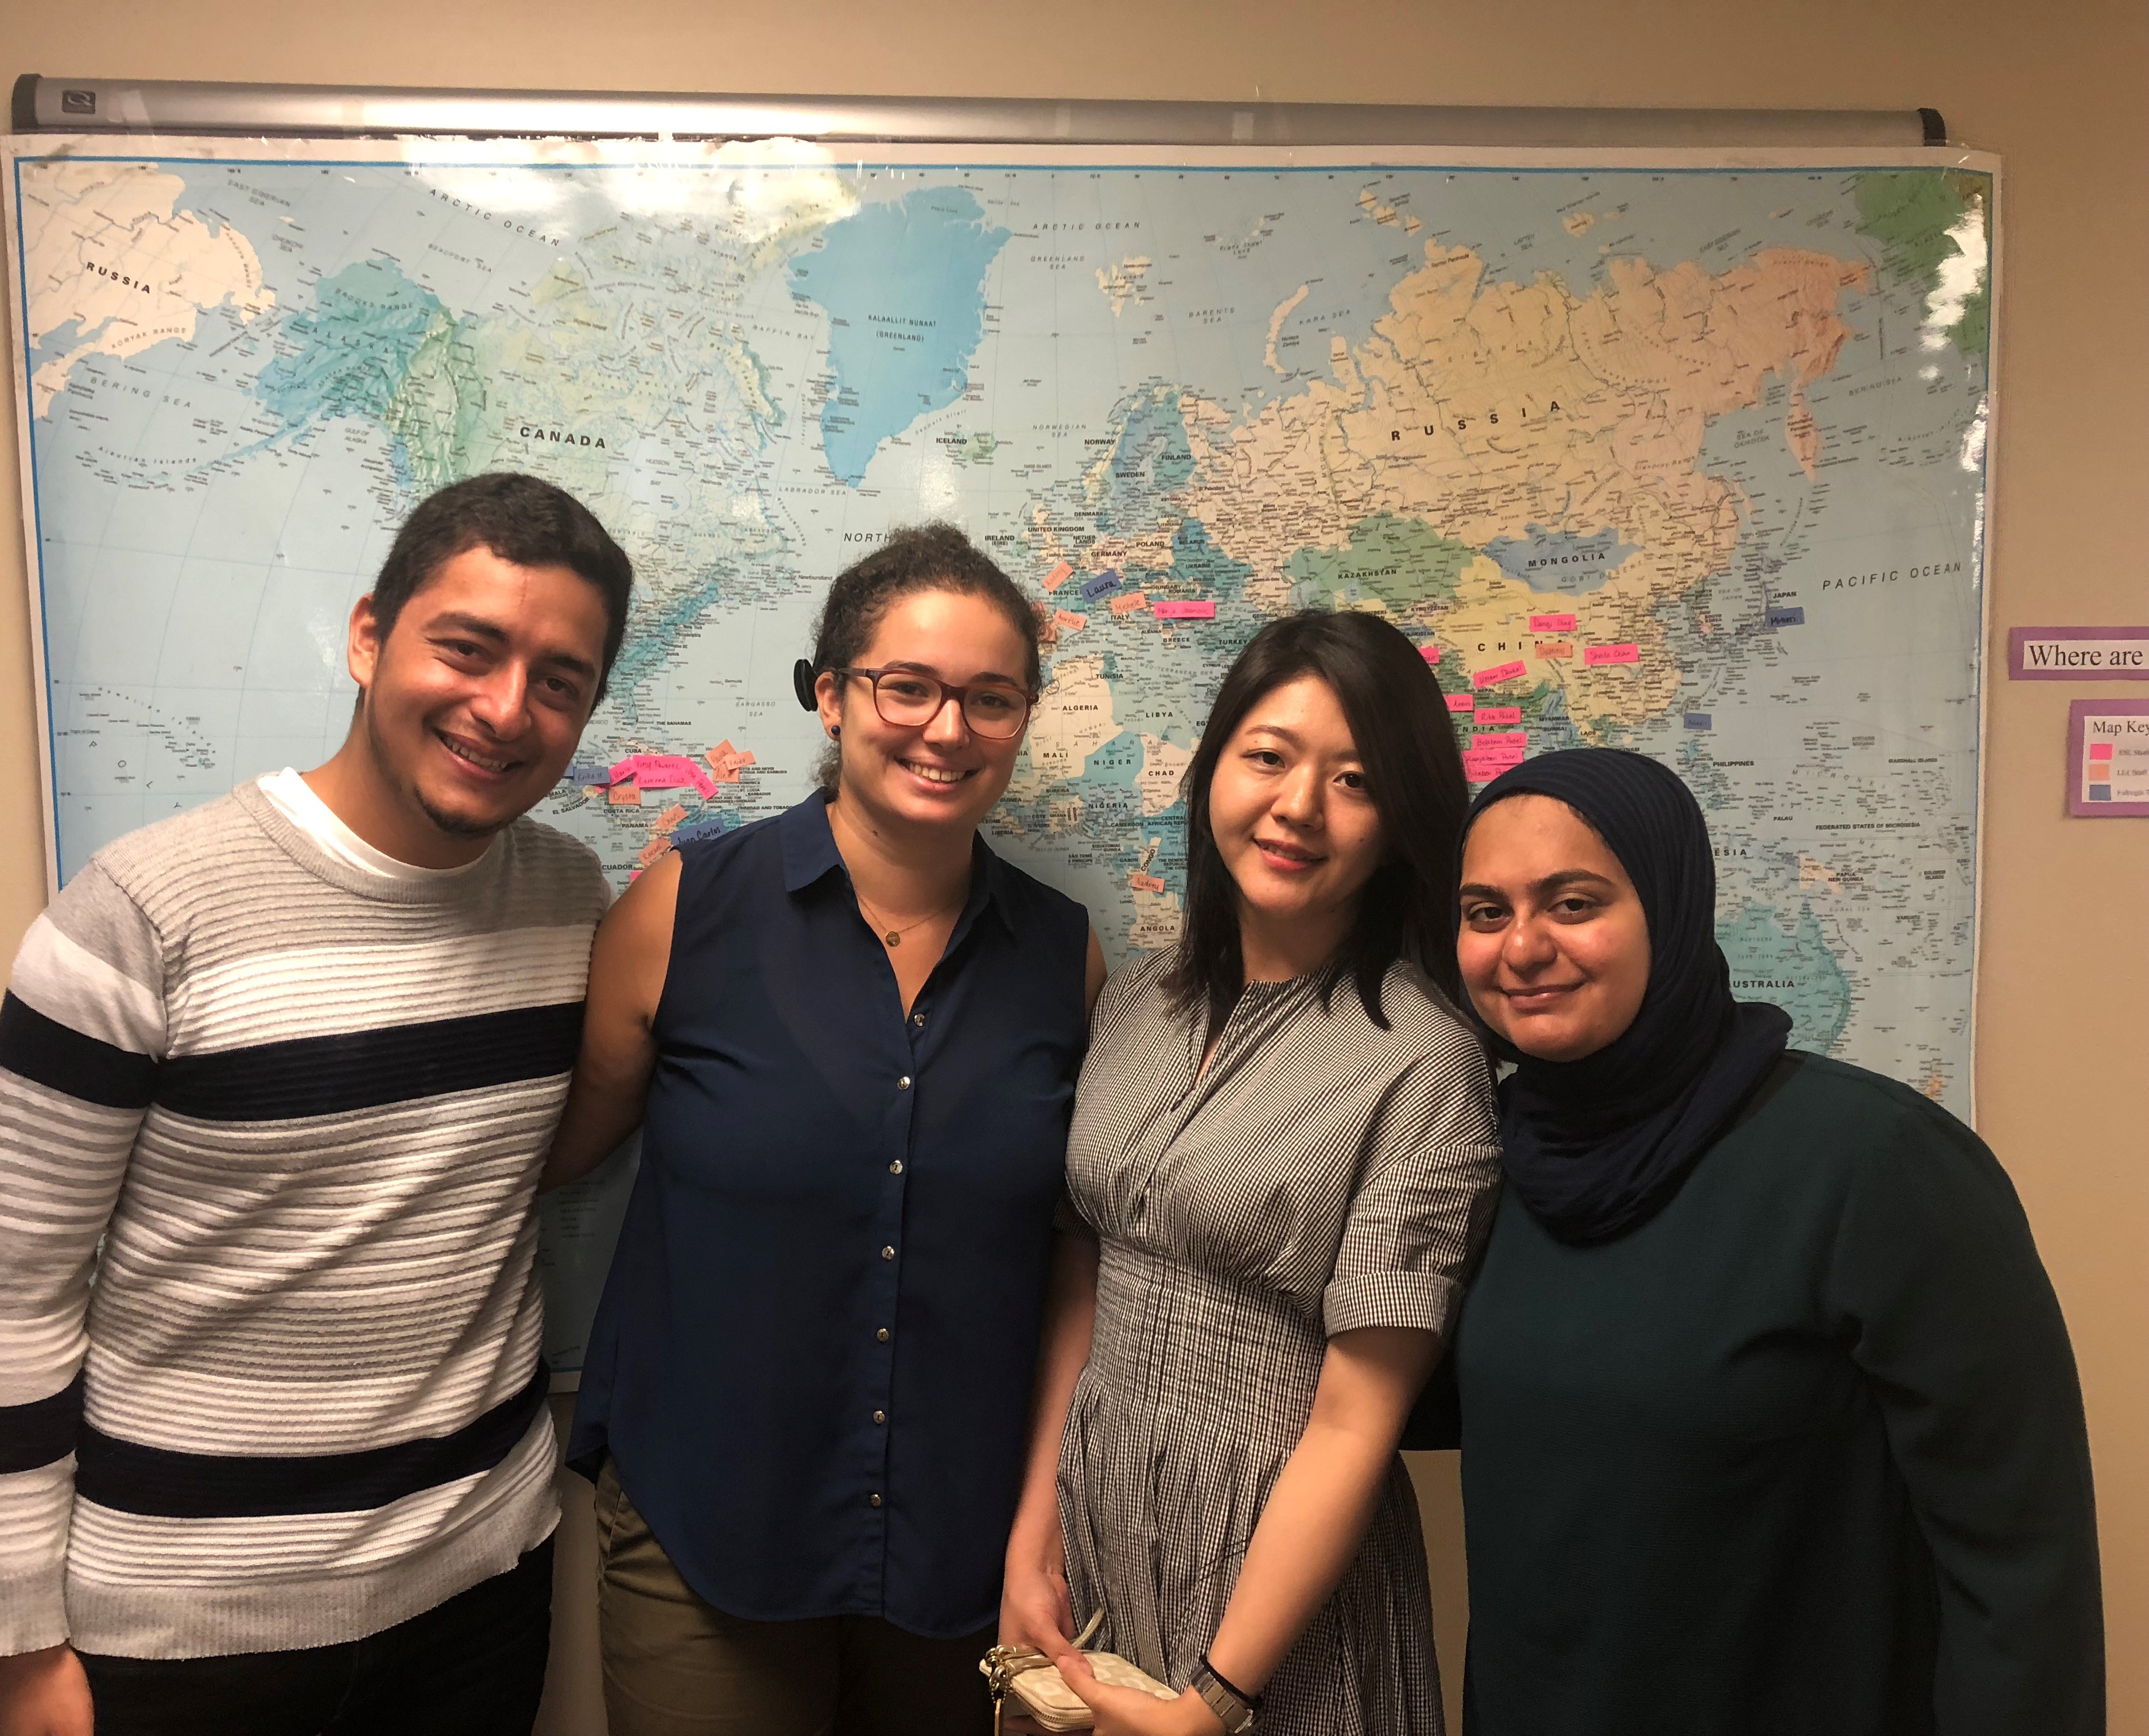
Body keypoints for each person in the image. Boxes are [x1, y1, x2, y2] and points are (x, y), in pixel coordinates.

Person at [0, 472, 633, 1736]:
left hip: (479, 1587)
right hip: (187, 1635)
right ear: (371, 635)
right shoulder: (139, 914)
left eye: (559, 680)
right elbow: (15, 1299)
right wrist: (22, 1644)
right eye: (468, 650)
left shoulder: (567, 901)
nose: (504, 709)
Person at [544, 524, 1103, 1736]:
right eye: (909, 687)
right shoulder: (684, 910)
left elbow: (1075, 1258)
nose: (947, 730)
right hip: (708, 1530)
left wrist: (1044, 1530)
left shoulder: (1067, 960)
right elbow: (556, 1153)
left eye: (991, 700)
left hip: (964, 1557)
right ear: (833, 695)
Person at [1450, 747, 2104, 1736]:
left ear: (1670, 910)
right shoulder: (1484, 1155)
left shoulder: (1875, 1162)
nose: (1523, 948)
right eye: (1486, 912)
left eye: (1574, 903)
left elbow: (2019, 1566)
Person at [1003, 611, 1502, 1736]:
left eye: (1355, 780)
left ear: (1400, 824)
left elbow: (1354, 1421)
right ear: (1215, 767)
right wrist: (1034, 1535)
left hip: (1277, 1609)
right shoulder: (1136, 999)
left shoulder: (1423, 1060)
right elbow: (1081, 1289)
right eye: (1268, 756)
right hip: (1105, 1548)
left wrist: (1218, 1699)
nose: (1297, 807)